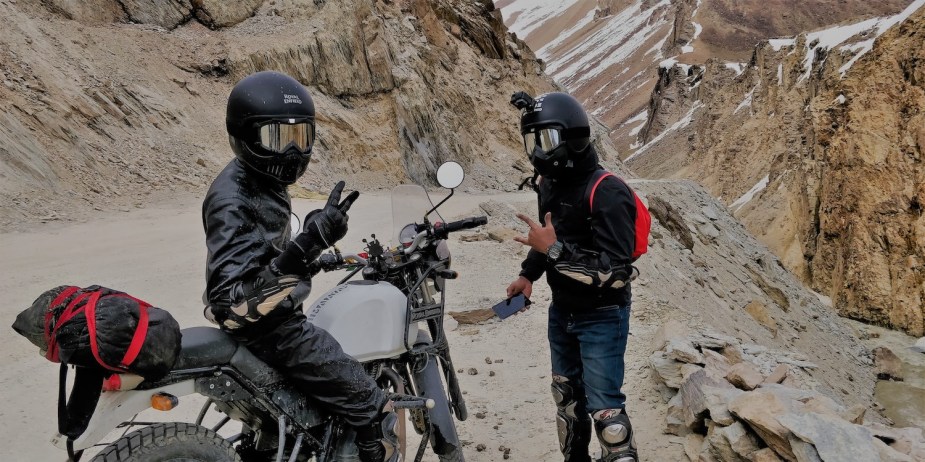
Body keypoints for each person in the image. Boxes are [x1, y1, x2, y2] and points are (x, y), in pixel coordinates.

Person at [201, 70, 396, 462]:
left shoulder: (259, 182)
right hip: (275, 332)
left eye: (299, 138)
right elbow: (232, 305)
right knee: (371, 403)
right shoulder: (233, 199)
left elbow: (261, 255)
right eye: (277, 139)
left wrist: (311, 245)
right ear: (245, 135)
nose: (290, 153)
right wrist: (310, 242)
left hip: (274, 323)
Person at [506, 91, 640, 462]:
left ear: (573, 138)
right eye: (532, 140)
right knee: (566, 398)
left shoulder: (608, 191)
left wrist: (553, 250)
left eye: (546, 139)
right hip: (561, 311)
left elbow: (614, 271)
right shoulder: (549, 184)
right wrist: (528, 274)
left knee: (606, 411)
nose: (538, 152)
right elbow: (549, 237)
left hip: (601, 315)